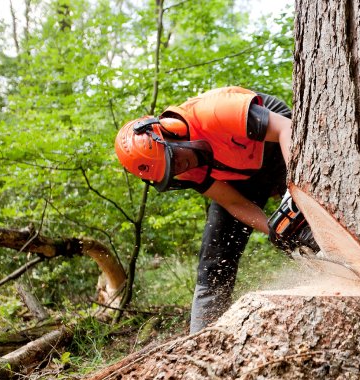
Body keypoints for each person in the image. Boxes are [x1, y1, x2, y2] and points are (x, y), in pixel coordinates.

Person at [114, 86, 314, 332]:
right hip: (238, 176)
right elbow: (234, 203)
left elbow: (286, 129)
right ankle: (202, 335)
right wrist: (277, 231)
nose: (180, 167)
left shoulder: (215, 112)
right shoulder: (186, 170)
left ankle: (336, 256)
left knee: (309, 212)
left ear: (169, 132)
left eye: (174, 159)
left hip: (277, 143)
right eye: (171, 170)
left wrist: (296, 193)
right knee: (216, 256)